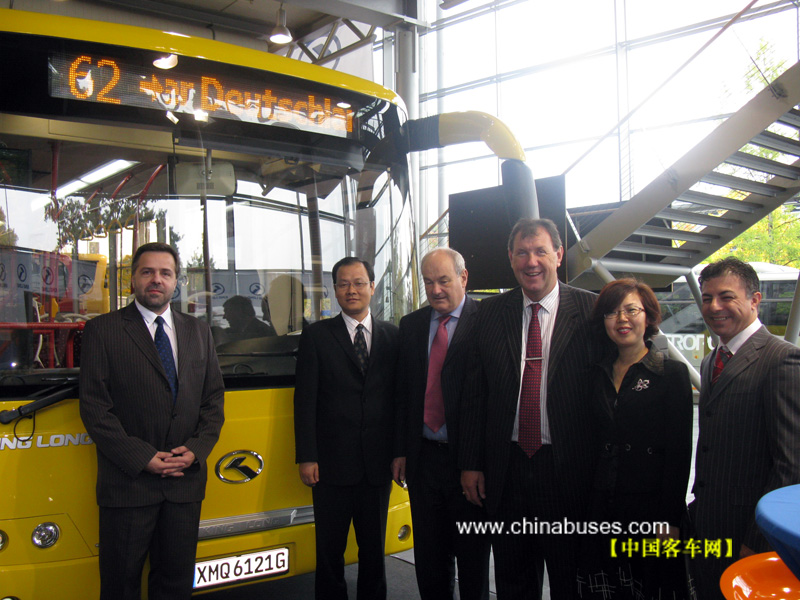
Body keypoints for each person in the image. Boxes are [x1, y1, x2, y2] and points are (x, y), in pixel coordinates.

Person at [460, 217, 602, 600]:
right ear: (510, 258)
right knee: (513, 580)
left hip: (567, 473)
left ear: (558, 255)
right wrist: (471, 463)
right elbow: (475, 395)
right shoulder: (489, 314)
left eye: (540, 251)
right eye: (522, 253)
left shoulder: (591, 312)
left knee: (570, 581)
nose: (531, 261)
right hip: (507, 472)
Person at [79, 242, 225, 600]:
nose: (156, 280)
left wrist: (195, 451)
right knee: (120, 586)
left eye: (165, 273)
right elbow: (95, 409)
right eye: (147, 272)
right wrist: (142, 457)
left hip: (184, 484)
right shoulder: (103, 330)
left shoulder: (198, 331)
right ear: (133, 280)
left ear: (176, 281)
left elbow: (213, 401)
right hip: (129, 484)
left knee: (176, 585)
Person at [690, 257, 800, 600]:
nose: (714, 307)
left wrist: (758, 539)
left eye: (726, 297)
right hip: (708, 524)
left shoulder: (781, 359)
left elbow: (791, 464)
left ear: (755, 300)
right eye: (707, 298)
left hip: (748, 532)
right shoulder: (711, 360)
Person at [577, 279, 693, 599]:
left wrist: (668, 521)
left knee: (650, 588)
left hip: (650, 510)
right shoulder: (595, 375)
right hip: (602, 507)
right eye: (612, 312)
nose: (622, 319)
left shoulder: (671, 375)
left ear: (649, 316)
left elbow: (679, 454)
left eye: (631, 310)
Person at [293, 256, 400, 600]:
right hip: (330, 466)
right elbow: (304, 401)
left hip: (378, 465)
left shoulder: (393, 336)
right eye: (343, 284)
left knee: (374, 553)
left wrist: (400, 452)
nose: (351, 290)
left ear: (372, 287)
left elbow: (400, 400)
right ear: (335, 290)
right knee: (329, 553)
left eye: (358, 283)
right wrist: (307, 456)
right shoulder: (316, 336)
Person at [392, 248, 490, 600]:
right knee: (430, 559)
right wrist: (401, 450)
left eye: (444, 281)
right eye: (428, 282)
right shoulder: (412, 325)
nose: (435, 290)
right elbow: (404, 393)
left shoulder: (488, 320)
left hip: (469, 464)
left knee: (473, 560)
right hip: (423, 461)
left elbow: (493, 399)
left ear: (463, 278)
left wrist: (475, 462)